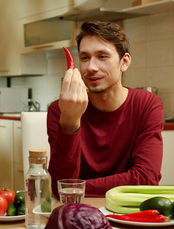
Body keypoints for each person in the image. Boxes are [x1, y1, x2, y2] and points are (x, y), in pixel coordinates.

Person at [47, 21, 164, 197]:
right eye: (85, 58)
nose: (91, 67)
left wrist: (77, 188)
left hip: (127, 212)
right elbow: (60, 186)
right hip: (79, 212)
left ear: (124, 62)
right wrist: (70, 122)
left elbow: (146, 178)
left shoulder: (147, 105)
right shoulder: (60, 109)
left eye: (102, 56)